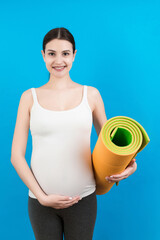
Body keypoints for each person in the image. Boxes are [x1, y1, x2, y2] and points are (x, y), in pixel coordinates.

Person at [11, 27, 137, 240]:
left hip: (83, 199)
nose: (58, 60)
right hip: (41, 203)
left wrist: (131, 165)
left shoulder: (91, 95)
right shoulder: (28, 98)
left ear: (74, 55)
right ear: (43, 55)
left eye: (65, 53)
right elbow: (16, 156)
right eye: (51, 53)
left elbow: (112, 145)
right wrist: (42, 197)